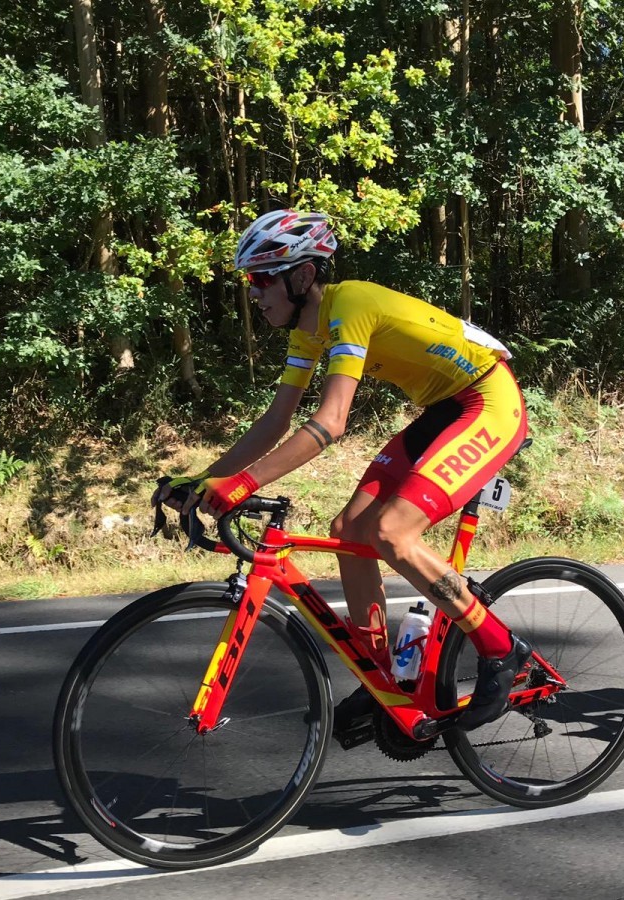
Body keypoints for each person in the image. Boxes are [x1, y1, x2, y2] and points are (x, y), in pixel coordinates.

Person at [155, 209, 530, 736]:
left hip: (488, 400)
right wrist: (206, 480)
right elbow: (275, 421)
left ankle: (501, 647)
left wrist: (244, 484)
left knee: (391, 531)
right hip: (442, 409)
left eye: (262, 280)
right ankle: (381, 681)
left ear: (301, 276)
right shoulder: (309, 332)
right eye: (250, 282)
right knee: (349, 532)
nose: (255, 295)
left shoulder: (349, 304)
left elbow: (330, 422)